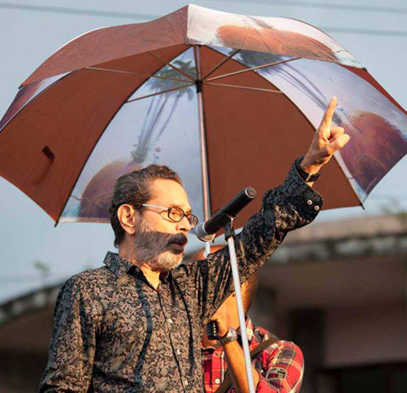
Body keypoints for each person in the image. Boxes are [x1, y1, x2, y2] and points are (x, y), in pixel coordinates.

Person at [39, 97, 349, 392]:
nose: (186, 225)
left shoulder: (191, 287)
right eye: (173, 213)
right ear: (129, 217)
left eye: (189, 215)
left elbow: (262, 233)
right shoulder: (88, 290)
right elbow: (62, 387)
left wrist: (309, 167)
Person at [202, 273, 304, 393]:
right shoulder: (178, 351)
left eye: (204, 276)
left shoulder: (279, 350)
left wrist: (227, 337)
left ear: (237, 285)